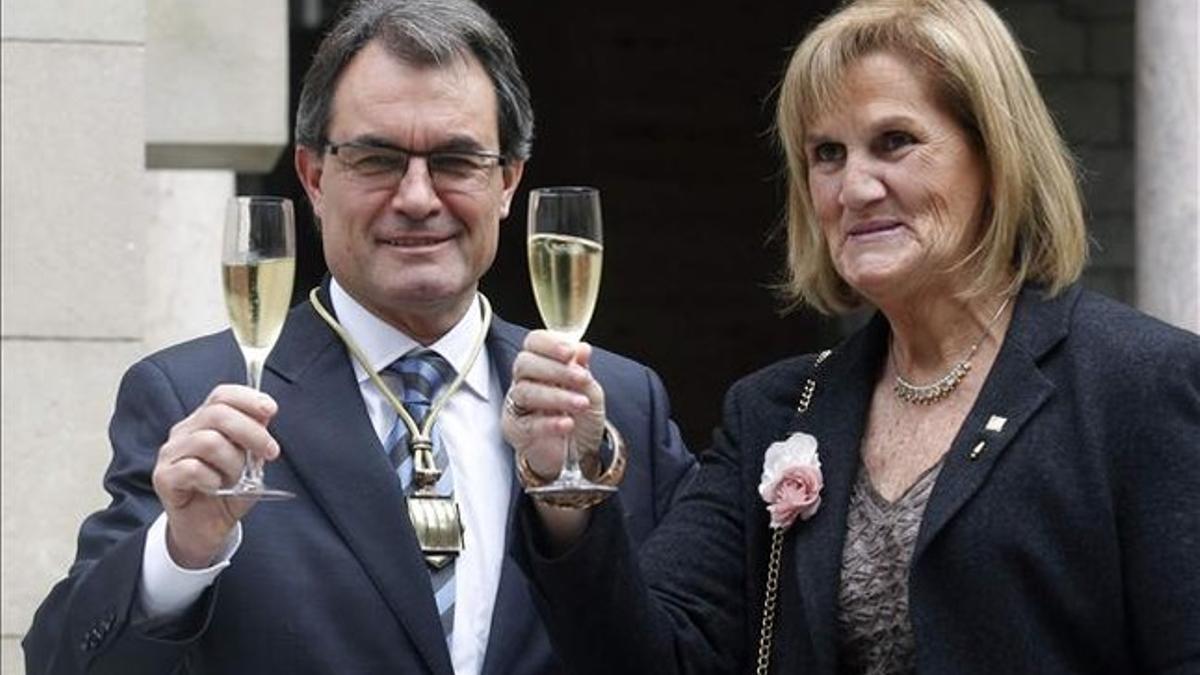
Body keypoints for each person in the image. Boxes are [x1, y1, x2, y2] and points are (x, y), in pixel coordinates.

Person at [503, 0, 1200, 673]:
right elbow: (652, 656)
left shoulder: (1139, 383)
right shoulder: (774, 412)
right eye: (827, 154)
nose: (854, 187)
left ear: (995, 158)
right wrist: (567, 484)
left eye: (894, 142)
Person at [22, 1, 695, 673]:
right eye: (377, 159)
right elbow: (61, 660)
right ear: (315, 177)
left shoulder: (618, 405)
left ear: (508, 181)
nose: (417, 197)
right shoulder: (193, 398)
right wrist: (181, 551)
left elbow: (683, 654)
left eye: (457, 160)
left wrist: (569, 508)